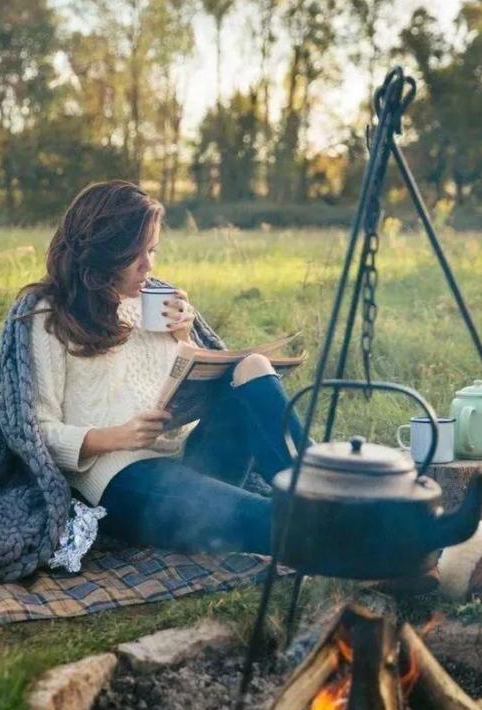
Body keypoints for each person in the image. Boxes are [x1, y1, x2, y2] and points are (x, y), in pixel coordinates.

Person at [20, 179, 305, 557]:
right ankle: (344, 524)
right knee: (278, 522)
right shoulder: (48, 316)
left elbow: (186, 387)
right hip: (121, 477)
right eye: (135, 254)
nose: (148, 265)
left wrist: (183, 340)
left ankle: (324, 491)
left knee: (252, 367)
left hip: (186, 461)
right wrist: (117, 436)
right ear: (103, 253)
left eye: (152, 250)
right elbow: (38, 433)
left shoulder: (154, 300)